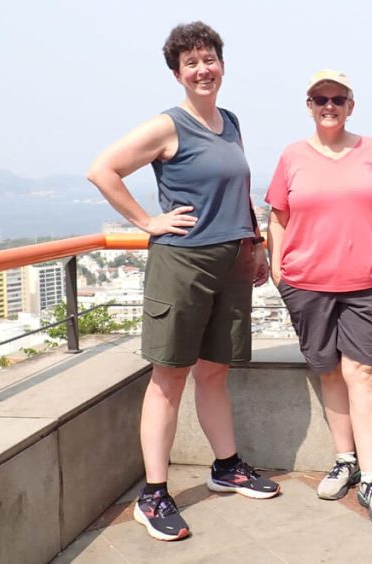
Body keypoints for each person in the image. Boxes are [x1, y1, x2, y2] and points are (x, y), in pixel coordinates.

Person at [87, 21, 279, 542]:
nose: (202, 69)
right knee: (169, 377)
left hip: (233, 259)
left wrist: (256, 242)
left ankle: (226, 466)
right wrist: (147, 221)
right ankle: (154, 495)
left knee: (215, 371)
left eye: (209, 58)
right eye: (190, 62)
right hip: (183, 262)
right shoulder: (166, 126)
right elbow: (103, 170)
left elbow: (238, 189)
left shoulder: (231, 121)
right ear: (177, 73)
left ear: (222, 63)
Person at [265, 69, 372, 524]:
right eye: (320, 98)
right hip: (306, 283)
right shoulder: (292, 156)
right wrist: (277, 270)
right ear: (308, 105)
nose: (329, 106)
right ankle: (343, 459)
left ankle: (371, 478)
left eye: (338, 98)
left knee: (364, 372)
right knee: (328, 372)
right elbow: (278, 217)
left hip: (369, 281)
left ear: (351, 105)